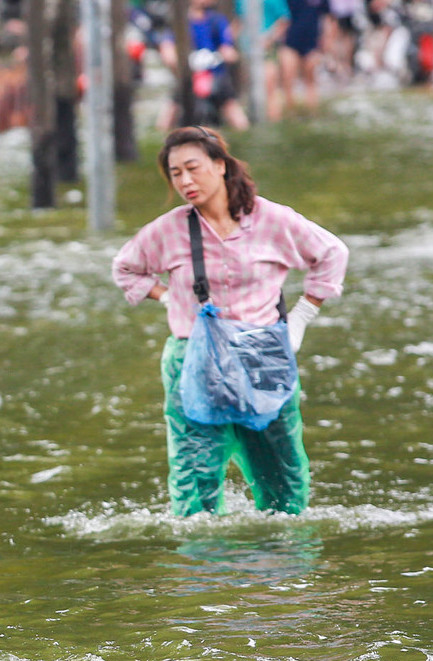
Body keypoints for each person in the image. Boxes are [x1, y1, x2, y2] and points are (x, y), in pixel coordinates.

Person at [111, 126, 348, 517]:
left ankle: (282, 566)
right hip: (194, 358)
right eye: (175, 173)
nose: (185, 180)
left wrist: (302, 316)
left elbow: (332, 253)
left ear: (220, 165)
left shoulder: (272, 219)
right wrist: (169, 297)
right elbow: (126, 268)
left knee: (283, 476)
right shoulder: (168, 229)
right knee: (194, 477)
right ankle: (203, 568)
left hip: (263, 355)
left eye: (193, 168)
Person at [159, 0, 251, 130]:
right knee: (169, 115)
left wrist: (225, 55)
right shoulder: (180, 23)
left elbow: (228, 48)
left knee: (234, 113)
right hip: (189, 76)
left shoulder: (217, 21)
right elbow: (167, 48)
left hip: (216, 75)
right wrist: (175, 60)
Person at [280, 0, 329, 113]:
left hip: (312, 42)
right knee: (288, 78)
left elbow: (327, 18)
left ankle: (312, 112)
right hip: (290, 41)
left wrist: (326, 40)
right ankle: (291, 112)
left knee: (310, 79)